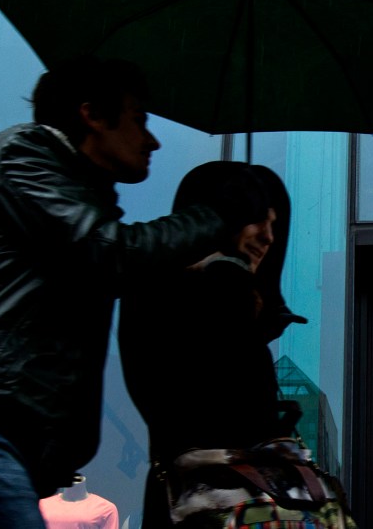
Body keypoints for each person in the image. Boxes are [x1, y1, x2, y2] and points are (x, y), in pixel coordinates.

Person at [0, 57, 268, 528]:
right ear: (91, 114)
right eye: (139, 120)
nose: (153, 140)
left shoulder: (72, 202)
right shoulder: (23, 156)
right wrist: (219, 214)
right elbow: (112, 253)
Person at [119, 161, 311, 528]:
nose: (268, 236)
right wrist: (229, 281)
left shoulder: (228, 301)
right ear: (218, 217)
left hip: (218, 502)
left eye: (274, 223)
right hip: (211, 505)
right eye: (257, 219)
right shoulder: (175, 295)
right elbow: (228, 407)